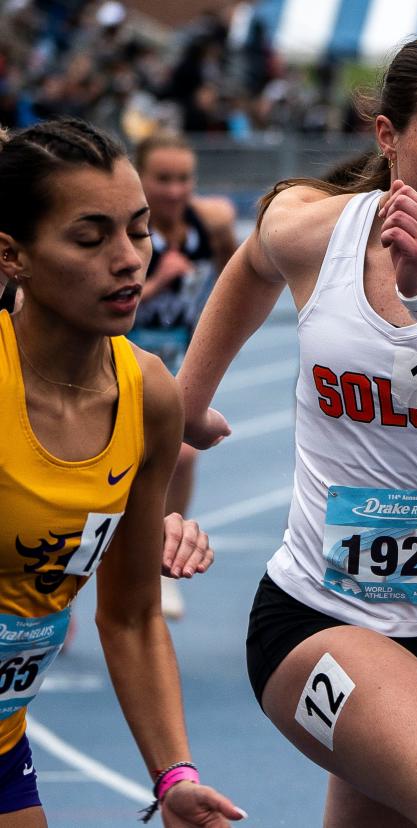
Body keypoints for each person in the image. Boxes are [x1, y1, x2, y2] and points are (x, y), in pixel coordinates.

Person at [176, 33, 417, 826]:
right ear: (388, 137)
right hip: (317, 617)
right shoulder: (318, 231)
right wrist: (187, 402)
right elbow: (252, 264)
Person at [0, 117, 243, 826]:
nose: (128, 259)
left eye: (138, 231)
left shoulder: (151, 397)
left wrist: (174, 777)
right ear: (14, 255)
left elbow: (133, 615)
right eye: (89, 237)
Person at [131, 131, 238, 622]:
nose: (174, 191)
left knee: (184, 456)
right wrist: (158, 282)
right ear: (140, 179)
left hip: (174, 371)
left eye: (183, 179)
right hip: (121, 363)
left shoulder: (206, 228)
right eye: (162, 179)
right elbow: (102, 310)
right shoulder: (128, 234)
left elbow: (236, 279)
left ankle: (158, 558)